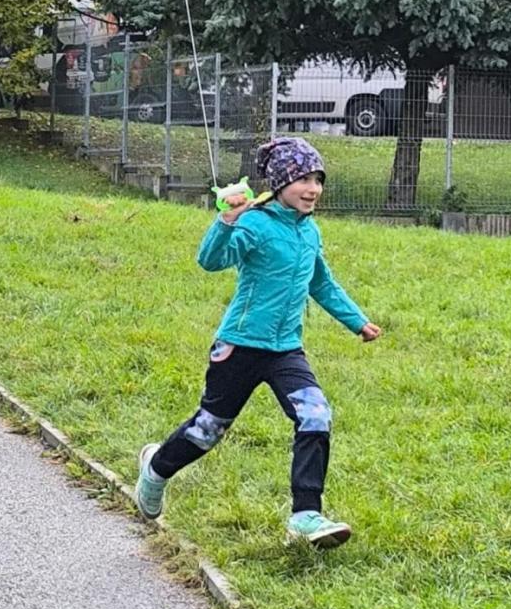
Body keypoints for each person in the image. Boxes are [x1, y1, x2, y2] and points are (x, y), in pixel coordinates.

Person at [135, 136, 381, 548]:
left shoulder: (310, 232)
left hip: (286, 350)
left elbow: (321, 282)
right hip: (239, 348)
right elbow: (211, 261)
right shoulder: (256, 222)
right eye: (304, 179)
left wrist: (357, 322)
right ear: (281, 183)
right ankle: (155, 470)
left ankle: (305, 517)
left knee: (316, 414)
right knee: (208, 429)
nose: (313, 189)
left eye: (318, 179)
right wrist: (226, 221)